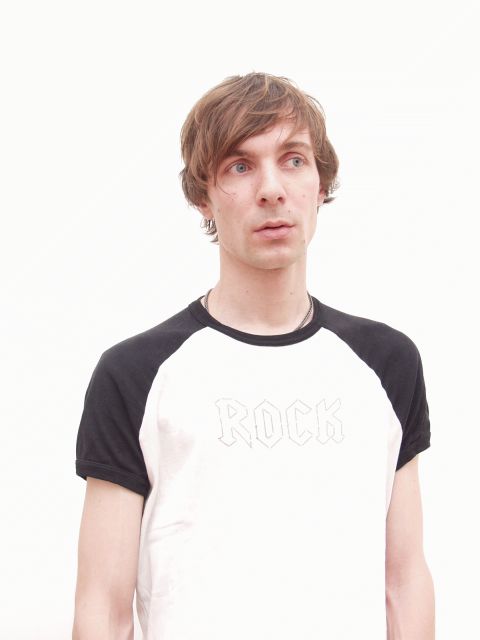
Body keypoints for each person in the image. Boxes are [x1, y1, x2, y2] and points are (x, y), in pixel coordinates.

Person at [72, 72, 435, 639]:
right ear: (202, 196)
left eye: (293, 160)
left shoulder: (386, 363)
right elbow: (103, 606)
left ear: (320, 184)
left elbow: (404, 582)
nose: (271, 189)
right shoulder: (135, 375)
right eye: (239, 166)